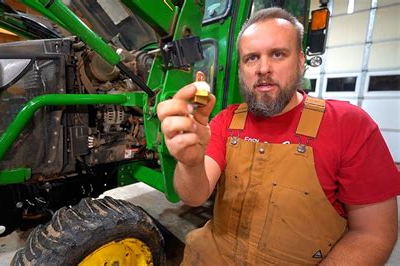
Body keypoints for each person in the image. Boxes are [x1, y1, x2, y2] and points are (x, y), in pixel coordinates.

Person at [157, 7, 400, 265]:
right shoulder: (227, 120)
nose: (263, 68)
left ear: (300, 61)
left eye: (277, 54)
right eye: (251, 58)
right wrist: (190, 163)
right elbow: (193, 196)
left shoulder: (349, 126)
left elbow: (372, 235)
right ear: (241, 68)